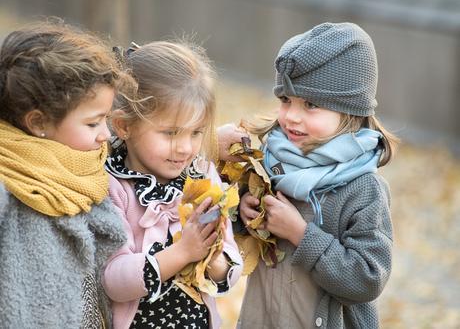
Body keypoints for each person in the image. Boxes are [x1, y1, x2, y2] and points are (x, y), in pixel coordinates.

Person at [236, 22, 399, 328]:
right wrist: (242, 213)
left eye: (311, 104)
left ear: (349, 112)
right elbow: (238, 248)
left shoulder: (363, 188)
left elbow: (367, 279)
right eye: (286, 100)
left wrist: (300, 234)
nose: (292, 117)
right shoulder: (268, 163)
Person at [103, 40, 243, 329]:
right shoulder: (114, 187)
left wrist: (216, 262)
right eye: (170, 133)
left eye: (196, 133)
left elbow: (229, 256)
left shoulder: (202, 175)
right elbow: (114, 280)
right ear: (124, 126)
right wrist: (181, 253)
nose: (184, 148)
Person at [0, 20, 131, 328]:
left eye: (106, 121)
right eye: (93, 123)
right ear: (38, 123)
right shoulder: (12, 181)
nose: (106, 135)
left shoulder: (83, 169)